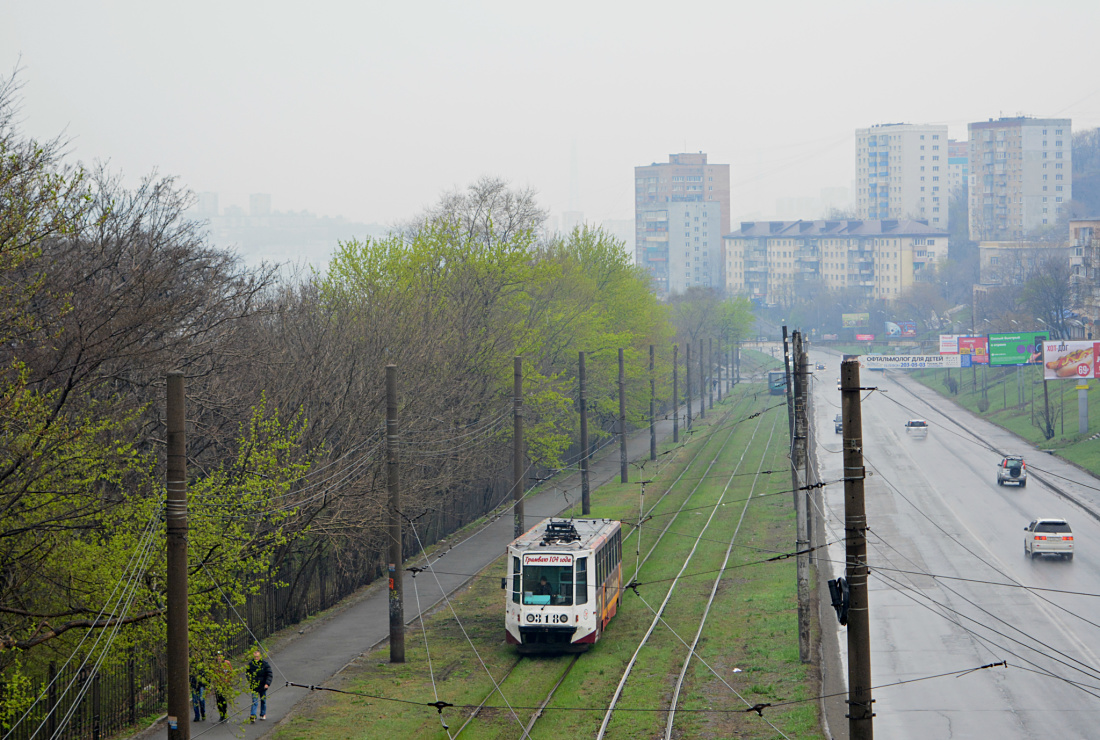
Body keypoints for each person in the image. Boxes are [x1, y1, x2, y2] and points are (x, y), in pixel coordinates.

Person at [246, 650, 273, 722]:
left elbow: (269, 674)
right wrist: (250, 681)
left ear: (260, 656)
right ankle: (253, 715)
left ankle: (262, 714)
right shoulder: (251, 664)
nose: (256, 658)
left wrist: (267, 683)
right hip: (254, 685)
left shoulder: (265, 664)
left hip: (263, 685)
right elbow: (247, 674)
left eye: (257, 656)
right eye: (255, 657)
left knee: (263, 700)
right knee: (254, 701)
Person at [210, 655, 235, 723]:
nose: (219, 660)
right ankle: (221, 715)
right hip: (217, 685)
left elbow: (231, 673)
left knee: (223, 700)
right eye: (218, 658)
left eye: (220, 658)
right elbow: (212, 675)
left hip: (224, 684)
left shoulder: (227, 663)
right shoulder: (215, 665)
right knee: (218, 701)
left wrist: (228, 681)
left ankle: (225, 714)